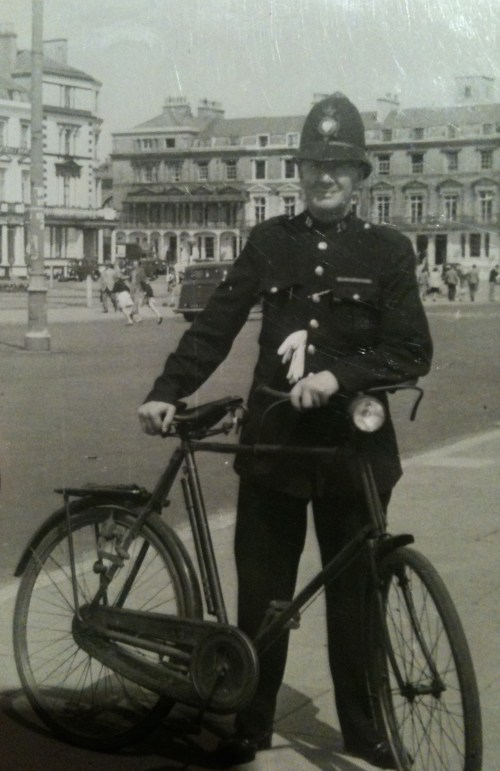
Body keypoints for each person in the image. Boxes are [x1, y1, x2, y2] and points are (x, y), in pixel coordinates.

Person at [138, 92, 433, 769]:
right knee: (264, 591)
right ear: (300, 171)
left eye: (339, 168)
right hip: (273, 445)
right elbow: (216, 323)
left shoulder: (388, 250)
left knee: (357, 594)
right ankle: (250, 722)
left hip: (355, 453)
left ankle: (365, 728)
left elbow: (412, 350)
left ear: (360, 176)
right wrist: (168, 389)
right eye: (314, 166)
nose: (325, 178)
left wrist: (340, 376)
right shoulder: (269, 243)